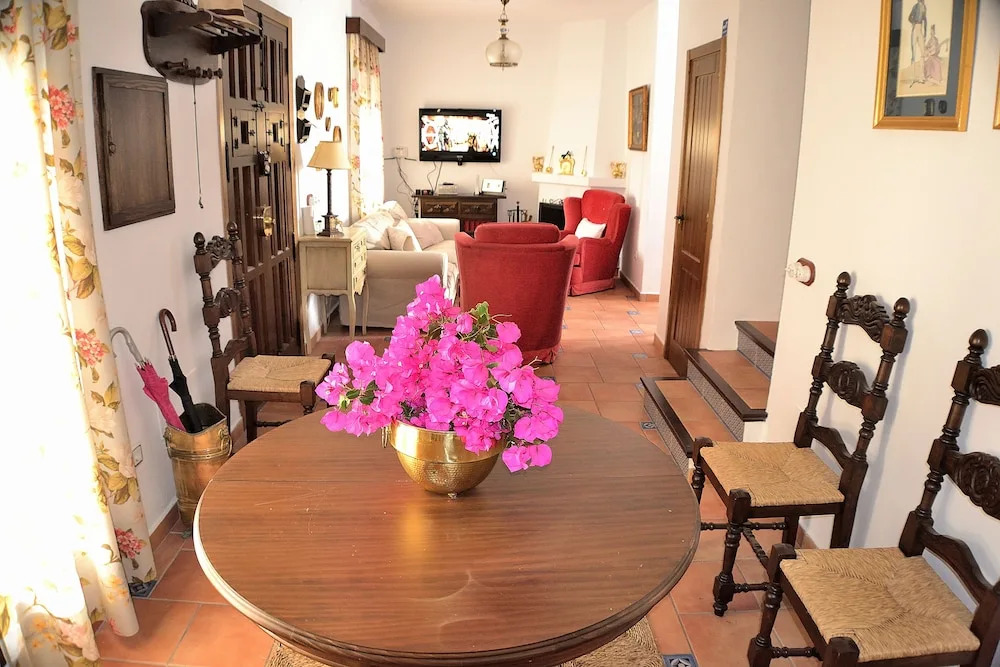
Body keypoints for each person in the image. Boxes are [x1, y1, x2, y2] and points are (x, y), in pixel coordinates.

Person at [907, 0, 928, 83]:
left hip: (920, 31)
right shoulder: (915, 6)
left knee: (923, 54)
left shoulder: (924, 7)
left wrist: (925, 34)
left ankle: (921, 77)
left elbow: (925, 20)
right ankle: (913, 77)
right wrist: (914, 22)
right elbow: (909, 18)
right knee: (914, 54)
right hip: (915, 29)